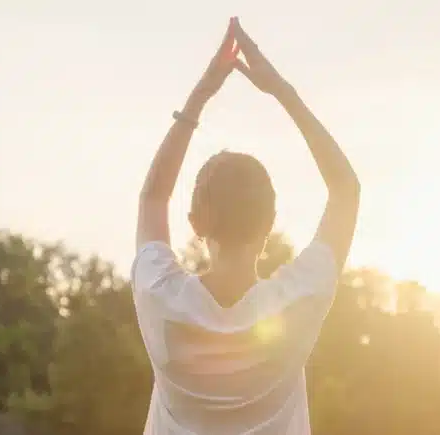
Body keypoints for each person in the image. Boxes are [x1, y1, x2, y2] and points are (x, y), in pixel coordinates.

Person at [131, 17, 360, 435]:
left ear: (196, 223)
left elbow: (152, 197)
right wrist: (282, 93)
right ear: (270, 224)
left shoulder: (159, 295)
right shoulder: (298, 300)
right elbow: (345, 189)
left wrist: (200, 96)